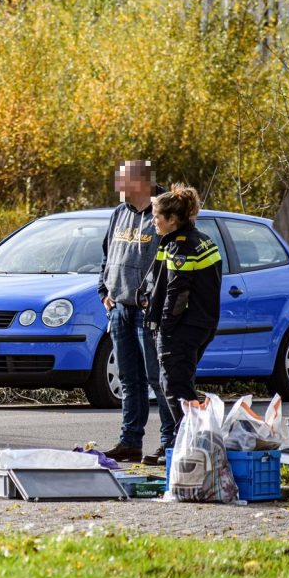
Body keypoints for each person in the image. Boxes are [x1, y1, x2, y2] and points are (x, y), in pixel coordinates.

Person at [98, 160, 173, 465]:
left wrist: (156, 299)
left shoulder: (163, 213)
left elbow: (171, 263)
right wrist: (104, 291)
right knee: (130, 380)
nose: (117, 185)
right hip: (119, 309)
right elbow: (107, 256)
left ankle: (170, 442)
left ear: (141, 182)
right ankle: (130, 442)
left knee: (159, 379)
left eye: (122, 179)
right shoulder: (119, 213)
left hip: (148, 313)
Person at [142, 184, 221, 443]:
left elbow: (178, 293)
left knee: (174, 385)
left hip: (183, 328)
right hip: (201, 324)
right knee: (181, 382)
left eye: (156, 216)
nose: (153, 221)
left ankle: (190, 443)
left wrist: (165, 328)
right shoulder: (196, 240)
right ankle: (191, 440)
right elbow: (162, 280)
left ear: (172, 219)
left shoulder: (182, 246)